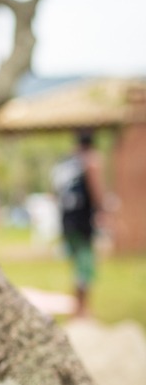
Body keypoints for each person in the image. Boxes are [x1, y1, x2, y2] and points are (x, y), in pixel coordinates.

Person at [52, 129, 106, 318]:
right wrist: (102, 211)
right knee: (85, 264)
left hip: (68, 220)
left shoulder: (68, 163)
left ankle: (78, 307)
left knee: (78, 264)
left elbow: (55, 192)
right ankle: (83, 309)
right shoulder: (91, 160)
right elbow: (96, 189)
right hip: (83, 220)